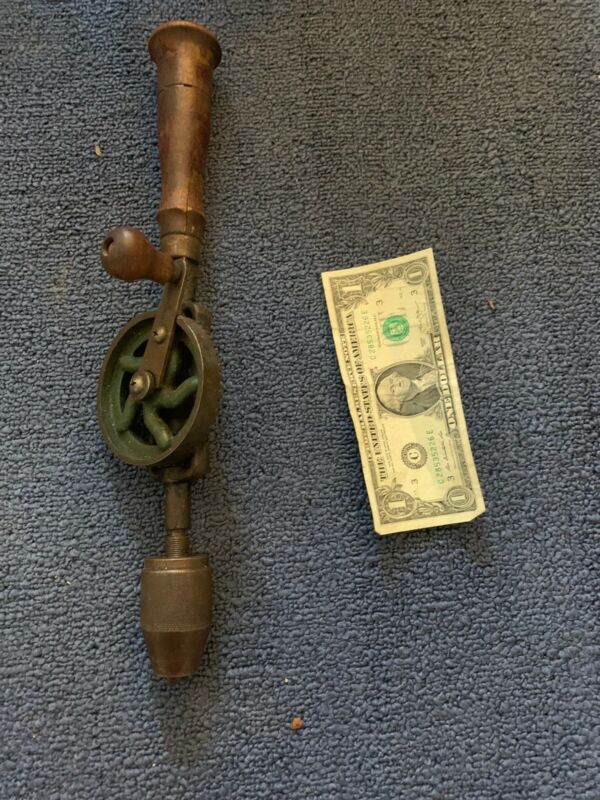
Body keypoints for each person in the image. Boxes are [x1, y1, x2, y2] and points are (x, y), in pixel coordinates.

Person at [375, 362, 440, 416]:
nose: (397, 383)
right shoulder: (428, 404)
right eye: (393, 390)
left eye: (392, 381)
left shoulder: (423, 366)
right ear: (398, 400)